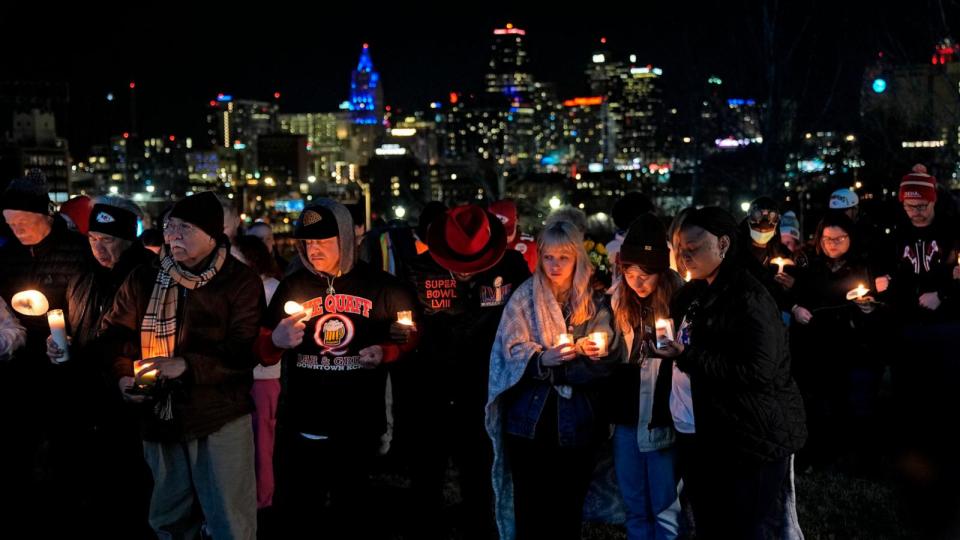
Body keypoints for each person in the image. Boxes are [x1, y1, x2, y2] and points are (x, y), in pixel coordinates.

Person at [100, 191, 264, 540]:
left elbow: (242, 352)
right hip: (158, 413)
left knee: (228, 518)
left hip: (219, 414)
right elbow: (113, 335)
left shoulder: (239, 281)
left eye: (184, 228)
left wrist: (186, 366)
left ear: (212, 234)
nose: (172, 235)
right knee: (169, 515)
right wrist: (122, 376)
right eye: (168, 226)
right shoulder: (145, 277)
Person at [258, 200, 418, 538]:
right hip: (304, 419)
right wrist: (277, 339)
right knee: (302, 512)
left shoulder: (382, 286)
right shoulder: (292, 285)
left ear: (345, 239)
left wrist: (387, 351)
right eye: (307, 243)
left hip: (358, 421)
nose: (313, 249)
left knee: (353, 511)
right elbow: (262, 350)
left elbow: (411, 337)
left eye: (322, 241)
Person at [658, 206, 806, 539]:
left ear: (723, 244)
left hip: (745, 439)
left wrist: (689, 356)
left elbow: (759, 370)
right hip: (700, 432)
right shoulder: (692, 293)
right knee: (709, 523)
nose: (684, 256)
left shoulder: (749, 297)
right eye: (680, 248)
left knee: (738, 527)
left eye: (693, 248)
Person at [487, 219, 622, 540]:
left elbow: (605, 360)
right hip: (528, 423)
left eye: (563, 257)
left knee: (566, 509)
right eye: (548, 256)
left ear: (577, 256)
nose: (555, 264)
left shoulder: (594, 301)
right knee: (531, 509)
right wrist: (538, 359)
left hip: (577, 424)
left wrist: (555, 367)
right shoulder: (524, 299)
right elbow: (509, 349)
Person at [401, 204, 530, 538]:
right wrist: (401, 333)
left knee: (480, 473)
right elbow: (402, 320)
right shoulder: (418, 270)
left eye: (472, 265)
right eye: (457, 264)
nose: (464, 273)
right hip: (432, 386)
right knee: (427, 474)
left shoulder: (513, 267)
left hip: (486, 387)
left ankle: (482, 528)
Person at [46, 198, 157, 536]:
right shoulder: (83, 276)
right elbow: (75, 327)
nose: (99, 248)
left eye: (108, 240)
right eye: (93, 238)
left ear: (127, 239)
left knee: (129, 486)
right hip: (85, 395)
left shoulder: (147, 275)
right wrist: (56, 345)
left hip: (127, 396)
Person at [0, 172, 95, 529]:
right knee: (22, 438)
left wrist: (69, 337)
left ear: (46, 216)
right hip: (21, 359)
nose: (17, 229)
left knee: (66, 440)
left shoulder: (77, 250)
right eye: (10, 224)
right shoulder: (8, 254)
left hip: (69, 361)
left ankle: (70, 503)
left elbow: (89, 305)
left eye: (24, 222)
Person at [607, 214, 684, 540]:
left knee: (665, 503)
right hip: (626, 414)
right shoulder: (615, 299)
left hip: (662, 414)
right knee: (633, 501)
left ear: (662, 272)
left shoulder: (680, 302)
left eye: (646, 274)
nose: (636, 282)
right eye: (630, 272)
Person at [789, 212, 882, 472]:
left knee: (849, 403)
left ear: (851, 238)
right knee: (815, 403)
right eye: (827, 238)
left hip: (850, 344)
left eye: (839, 238)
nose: (833, 244)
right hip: (814, 345)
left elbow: (874, 304)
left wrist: (866, 310)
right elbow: (794, 296)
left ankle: (850, 457)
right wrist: (796, 308)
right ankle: (816, 454)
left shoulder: (861, 265)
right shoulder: (809, 266)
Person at [233, 235, 283, 511]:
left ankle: (263, 497)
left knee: (262, 439)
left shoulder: (271, 288)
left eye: (236, 258)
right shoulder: (246, 287)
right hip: (245, 374)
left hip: (264, 376)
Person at [490, 199, 538, 273]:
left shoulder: (530, 247)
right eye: (497, 233)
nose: (502, 238)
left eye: (507, 232)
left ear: (516, 221)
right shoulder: (478, 245)